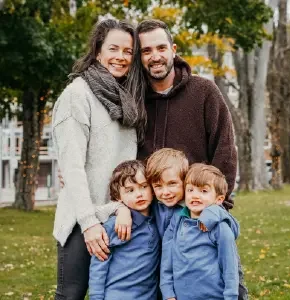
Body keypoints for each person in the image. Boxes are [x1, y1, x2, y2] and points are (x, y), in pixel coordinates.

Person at [52, 19, 146, 299]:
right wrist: (89, 223)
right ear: (97, 52)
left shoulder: (128, 99)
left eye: (128, 51)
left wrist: (122, 208)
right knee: (72, 294)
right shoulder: (77, 95)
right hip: (84, 220)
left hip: (120, 216)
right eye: (113, 48)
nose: (120, 57)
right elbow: (72, 167)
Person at [127, 19, 237, 211]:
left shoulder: (204, 92)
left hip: (195, 212)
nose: (155, 56)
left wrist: (217, 207)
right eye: (146, 51)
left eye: (161, 48)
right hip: (147, 214)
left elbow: (224, 150)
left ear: (173, 49)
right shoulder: (133, 98)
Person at [160, 163, 239, 300]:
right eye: (190, 190)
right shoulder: (176, 222)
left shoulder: (220, 228)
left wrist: (231, 297)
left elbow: (230, 267)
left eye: (203, 191)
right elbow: (167, 259)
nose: (195, 195)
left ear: (219, 199)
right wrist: (168, 292)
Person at [89, 160, 160, 300]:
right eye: (130, 190)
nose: (139, 194)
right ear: (118, 197)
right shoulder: (114, 225)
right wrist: (96, 297)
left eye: (144, 187)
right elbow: (99, 264)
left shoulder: (158, 219)